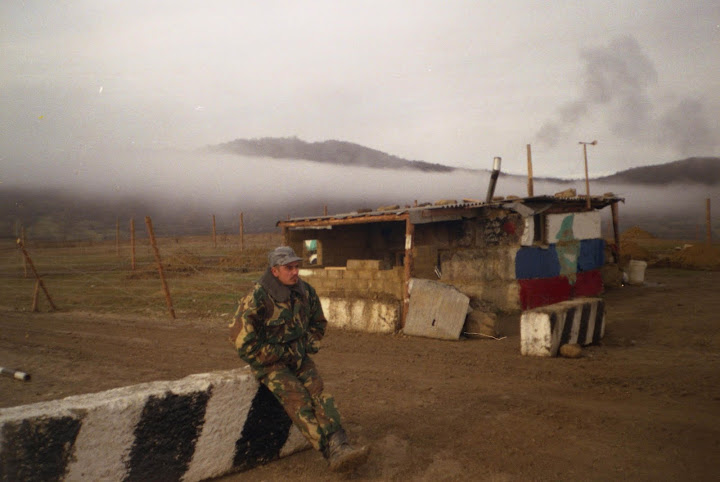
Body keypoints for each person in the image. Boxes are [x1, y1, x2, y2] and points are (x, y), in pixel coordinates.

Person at [229, 246, 369, 472]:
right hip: (271, 364)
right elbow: (241, 342)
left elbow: (318, 323)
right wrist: (280, 354)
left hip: (299, 358)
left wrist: (307, 346)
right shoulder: (257, 297)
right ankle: (330, 452)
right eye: (288, 268)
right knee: (299, 400)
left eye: (296, 267)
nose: (295, 272)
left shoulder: (305, 292)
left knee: (319, 393)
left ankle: (341, 444)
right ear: (275, 271)